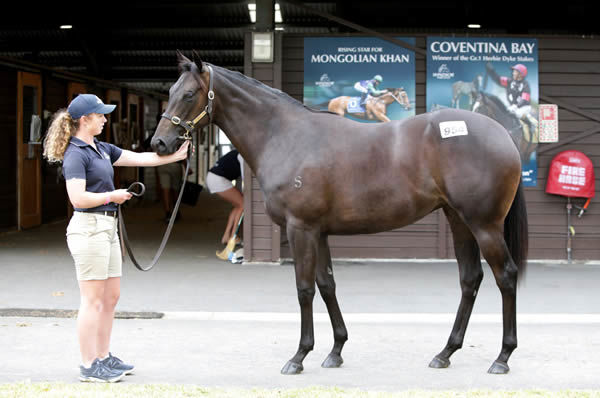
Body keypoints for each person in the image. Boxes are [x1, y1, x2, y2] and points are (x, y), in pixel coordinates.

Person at [43, 94, 189, 383]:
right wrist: (113, 196)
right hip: (89, 229)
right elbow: (78, 198)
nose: (105, 119)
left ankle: (104, 356)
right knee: (92, 301)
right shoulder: (76, 154)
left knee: (110, 297)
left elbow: (141, 158)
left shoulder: (101, 148)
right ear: (85, 120)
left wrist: (177, 155)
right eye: (100, 115)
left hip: (107, 228)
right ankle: (88, 364)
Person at [206, 149, 244, 245]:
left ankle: (226, 236)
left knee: (238, 206)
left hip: (213, 176)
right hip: (218, 179)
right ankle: (233, 237)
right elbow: (245, 176)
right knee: (243, 205)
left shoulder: (238, 152)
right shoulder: (242, 154)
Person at [485, 62, 538, 131]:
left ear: (520, 74)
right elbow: (498, 79)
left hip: (523, 108)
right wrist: (491, 70)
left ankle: (531, 128)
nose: (513, 73)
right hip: (513, 107)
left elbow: (524, 99)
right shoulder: (509, 81)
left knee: (516, 114)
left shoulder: (525, 85)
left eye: (515, 72)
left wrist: (516, 106)